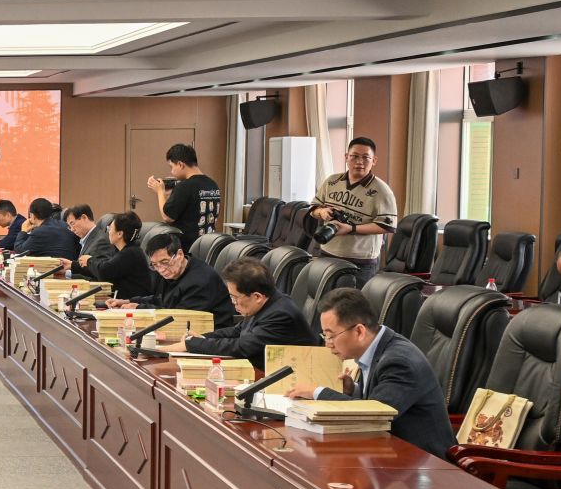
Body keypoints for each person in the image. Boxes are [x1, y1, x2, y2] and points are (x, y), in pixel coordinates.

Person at [286, 288, 453, 457]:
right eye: (325, 336)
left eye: (331, 336)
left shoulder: (399, 362)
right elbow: (379, 399)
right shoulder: (378, 347)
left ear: (359, 331)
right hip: (387, 451)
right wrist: (353, 390)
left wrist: (316, 392)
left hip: (425, 462)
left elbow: (373, 416)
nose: (327, 344)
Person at [153, 258, 318, 369]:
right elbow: (237, 331)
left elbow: (242, 347)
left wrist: (191, 345)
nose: (232, 303)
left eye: (235, 297)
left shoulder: (280, 314)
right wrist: (203, 338)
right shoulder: (266, 301)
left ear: (257, 297)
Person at [311, 136, 398, 282]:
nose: (359, 162)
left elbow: (387, 226)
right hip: (327, 253)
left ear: (374, 160)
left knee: (351, 297)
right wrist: (322, 212)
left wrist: (351, 228)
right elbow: (313, 209)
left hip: (360, 261)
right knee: (322, 295)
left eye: (365, 157)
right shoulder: (332, 181)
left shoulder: (382, 191)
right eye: (354, 156)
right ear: (346, 157)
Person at [114, 230, 237, 327]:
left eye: (165, 262)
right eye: (155, 264)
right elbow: (163, 300)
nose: (161, 269)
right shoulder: (172, 271)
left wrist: (138, 308)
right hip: (183, 328)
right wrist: (129, 302)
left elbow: (177, 317)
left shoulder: (200, 281)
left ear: (179, 254)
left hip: (210, 334)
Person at [146, 143, 221, 245]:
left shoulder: (185, 186)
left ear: (180, 164)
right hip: (207, 243)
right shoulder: (212, 184)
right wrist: (169, 194)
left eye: (171, 167)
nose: (172, 172)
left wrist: (160, 191)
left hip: (187, 246)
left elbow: (168, 216)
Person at [87, 212, 157, 302]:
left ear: (120, 234)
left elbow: (105, 272)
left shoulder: (130, 253)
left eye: (110, 228)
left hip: (132, 305)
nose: (108, 232)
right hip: (120, 302)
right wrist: (76, 265)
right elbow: (106, 265)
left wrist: (89, 261)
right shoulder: (122, 250)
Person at [66, 205, 113, 271]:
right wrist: (70, 266)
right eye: (69, 226)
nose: (72, 229)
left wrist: (68, 273)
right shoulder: (87, 239)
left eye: (72, 223)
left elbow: (99, 273)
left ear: (84, 217)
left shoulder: (101, 241)